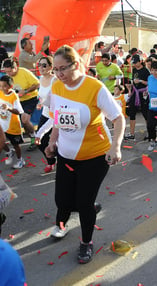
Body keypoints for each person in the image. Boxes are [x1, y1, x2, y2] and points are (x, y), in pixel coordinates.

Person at [45, 45, 125, 264]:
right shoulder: (57, 86)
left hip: (95, 156)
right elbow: (57, 119)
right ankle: (71, 218)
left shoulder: (94, 87)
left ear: (76, 64)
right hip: (66, 155)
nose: (59, 74)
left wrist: (115, 147)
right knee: (62, 200)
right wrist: (52, 143)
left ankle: (86, 242)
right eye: (55, 69)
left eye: (63, 68)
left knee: (83, 202)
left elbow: (118, 118)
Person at [3, 58, 40, 151]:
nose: (9, 74)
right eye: (6, 72)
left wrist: (26, 91)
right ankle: (31, 137)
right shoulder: (7, 77)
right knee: (20, 122)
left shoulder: (24, 72)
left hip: (30, 99)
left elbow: (37, 84)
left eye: (10, 71)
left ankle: (34, 138)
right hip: (16, 101)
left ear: (16, 68)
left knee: (24, 119)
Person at [34, 56, 57, 173]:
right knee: (40, 142)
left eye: (44, 65)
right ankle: (51, 161)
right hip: (45, 114)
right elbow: (42, 96)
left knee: (57, 142)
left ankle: (63, 162)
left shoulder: (55, 80)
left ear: (51, 67)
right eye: (39, 65)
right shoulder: (41, 78)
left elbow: (56, 99)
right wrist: (40, 103)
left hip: (55, 116)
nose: (41, 68)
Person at [0, 75, 25, 169]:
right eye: (0, 86)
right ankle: (9, 151)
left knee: (16, 145)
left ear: (10, 86)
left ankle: (20, 160)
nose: (2, 88)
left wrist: (8, 108)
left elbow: (18, 111)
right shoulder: (0, 92)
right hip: (2, 124)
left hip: (12, 126)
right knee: (1, 142)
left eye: (4, 86)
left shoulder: (13, 96)